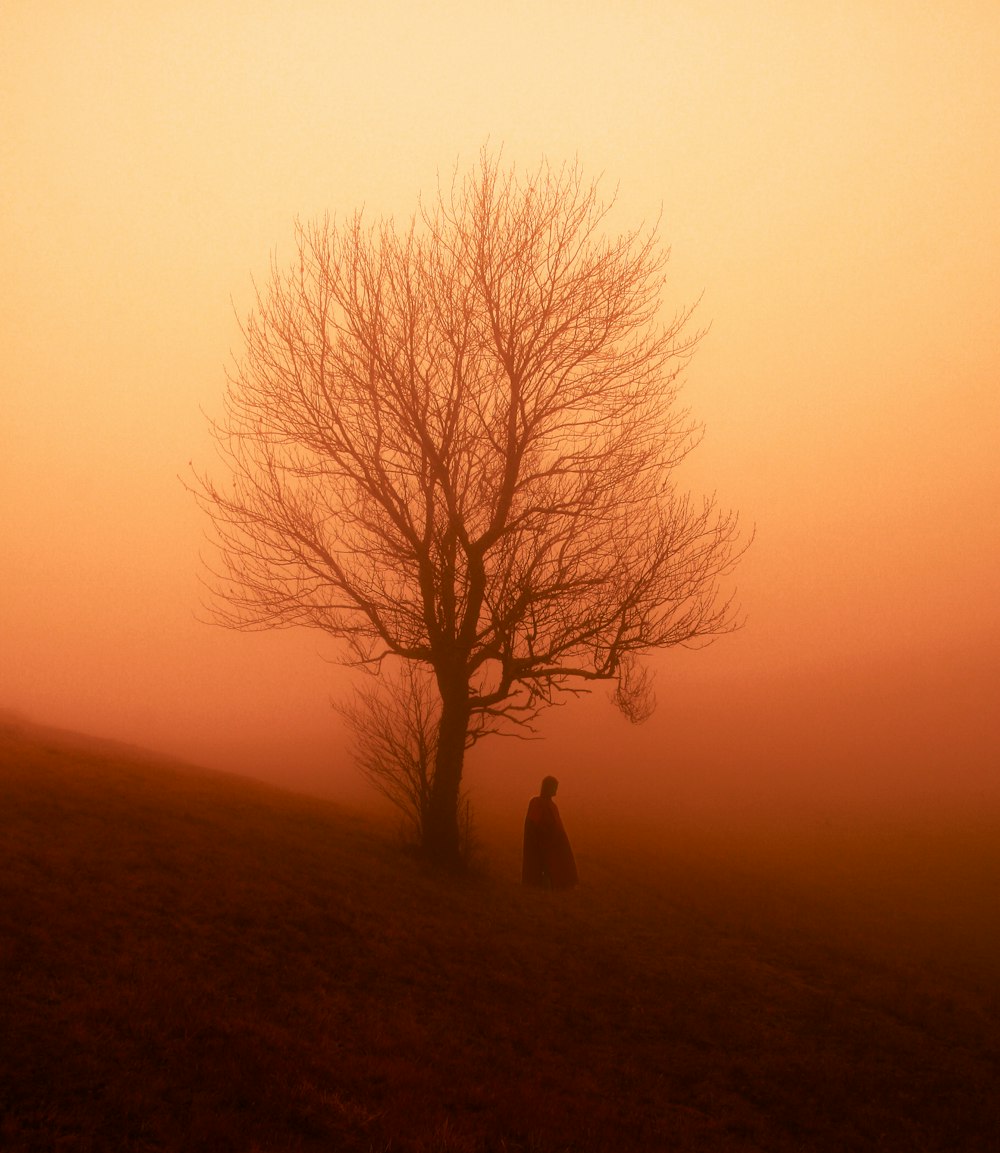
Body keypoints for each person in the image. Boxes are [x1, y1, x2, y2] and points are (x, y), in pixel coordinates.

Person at [522, 775, 578, 889]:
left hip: (554, 842)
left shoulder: (552, 805)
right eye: (554, 787)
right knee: (544, 866)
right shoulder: (538, 803)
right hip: (543, 843)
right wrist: (542, 838)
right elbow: (532, 823)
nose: (556, 790)